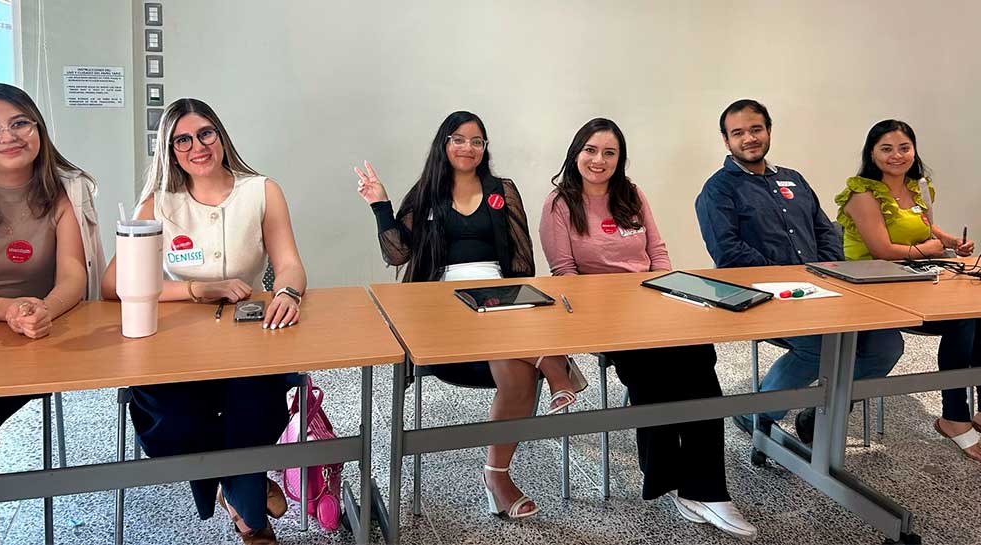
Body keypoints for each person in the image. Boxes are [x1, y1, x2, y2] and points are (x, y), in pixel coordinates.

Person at [355, 111, 582, 519]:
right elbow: (398, 253)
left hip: (499, 297)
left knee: (515, 371)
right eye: (459, 139)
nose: (468, 148)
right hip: (443, 305)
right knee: (510, 347)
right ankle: (552, 361)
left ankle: (496, 476)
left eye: (477, 141)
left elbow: (521, 259)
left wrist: (516, 301)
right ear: (444, 144)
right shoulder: (426, 193)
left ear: (485, 148)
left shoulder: (502, 190)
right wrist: (380, 205)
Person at [540, 117, 757, 540]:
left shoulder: (631, 194)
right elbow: (564, 273)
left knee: (697, 356)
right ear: (576, 153)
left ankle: (705, 487)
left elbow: (657, 253)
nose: (599, 160)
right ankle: (676, 482)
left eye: (609, 152)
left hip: (653, 301)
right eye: (590, 150)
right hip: (603, 315)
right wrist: (615, 308)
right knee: (653, 371)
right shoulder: (560, 203)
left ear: (619, 159)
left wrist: (665, 298)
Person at [102, 98, 306, 545]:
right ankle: (244, 488)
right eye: (183, 140)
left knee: (255, 407)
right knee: (173, 418)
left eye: (205, 133)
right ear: (170, 152)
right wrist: (197, 289)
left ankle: (248, 516)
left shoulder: (261, 191)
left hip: (248, 338)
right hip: (174, 341)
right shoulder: (158, 203)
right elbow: (113, 284)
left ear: (221, 136)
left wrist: (287, 292)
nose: (197, 146)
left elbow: (290, 264)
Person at [695, 99, 904, 458]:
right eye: (738, 132)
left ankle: (822, 409)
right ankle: (756, 413)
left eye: (756, 129)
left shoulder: (794, 178)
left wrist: (826, 272)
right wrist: (789, 278)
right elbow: (728, 253)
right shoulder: (718, 189)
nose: (749, 138)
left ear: (768, 131)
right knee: (820, 345)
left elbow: (825, 231)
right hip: (764, 297)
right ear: (726, 140)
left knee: (887, 343)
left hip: (820, 289)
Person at [0, 82, 104, 544]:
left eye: (19, 123)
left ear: (38, 129)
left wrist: (41, 311)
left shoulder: (66, 189)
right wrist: (4, 309)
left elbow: (73, 274)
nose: (7, 137)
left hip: (35, 340)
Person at [835, 119, 979, 461]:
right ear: (872, 153)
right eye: (886, 148)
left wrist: (950, 242)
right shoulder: (862, 193)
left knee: (976, 313)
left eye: (904, 148)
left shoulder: (918, 188)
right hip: (874, 289)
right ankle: (954, 416)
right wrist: (926, 250)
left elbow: (926, 227)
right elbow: (883, 250)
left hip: (915, 280)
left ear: (914, 151)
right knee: (962, 321)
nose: (897, 155)